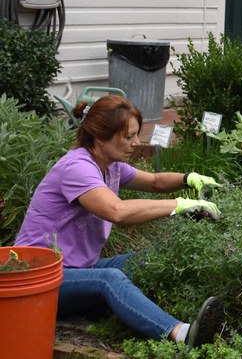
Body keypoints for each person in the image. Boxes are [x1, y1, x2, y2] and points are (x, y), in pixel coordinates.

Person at [14, 95, 225, 347]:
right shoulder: (77, 168)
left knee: (147, 260)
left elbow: (155, 182)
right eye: (128, 137)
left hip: (77, 270)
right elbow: (117, 211)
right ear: (101, 137)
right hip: (38, 282)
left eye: (137, 135)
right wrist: (178, 205)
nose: (136, 143)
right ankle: (182, 335)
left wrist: (188, 178)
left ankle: (179, 310)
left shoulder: (109, 165)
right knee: (109, 278)